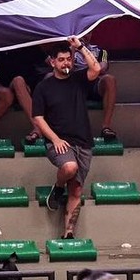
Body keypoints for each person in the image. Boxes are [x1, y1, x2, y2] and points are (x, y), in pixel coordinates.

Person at [32, 38, 102, 239]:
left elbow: (96, 68)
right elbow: (38, 117)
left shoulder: (78, 79)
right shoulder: (43, 87)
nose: (66, 63)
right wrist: (54, 139)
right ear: (52, 62)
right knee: (69, 167)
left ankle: (68, 233)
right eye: (61, 59)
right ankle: (59, 187)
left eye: (68, 59)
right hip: (59, 142)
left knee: (77, 190)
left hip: (84, 142)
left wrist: (79, 47)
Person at [73, 36, 118, 141]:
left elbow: (102, 68)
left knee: (110, 79)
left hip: (94, 84)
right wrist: (73, 49)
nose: (85, 35)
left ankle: (106, 127)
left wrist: (82, 50)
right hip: (74, 84)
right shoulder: (68, 51)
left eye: (88, 32)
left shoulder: (101, 51)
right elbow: (67, 69)